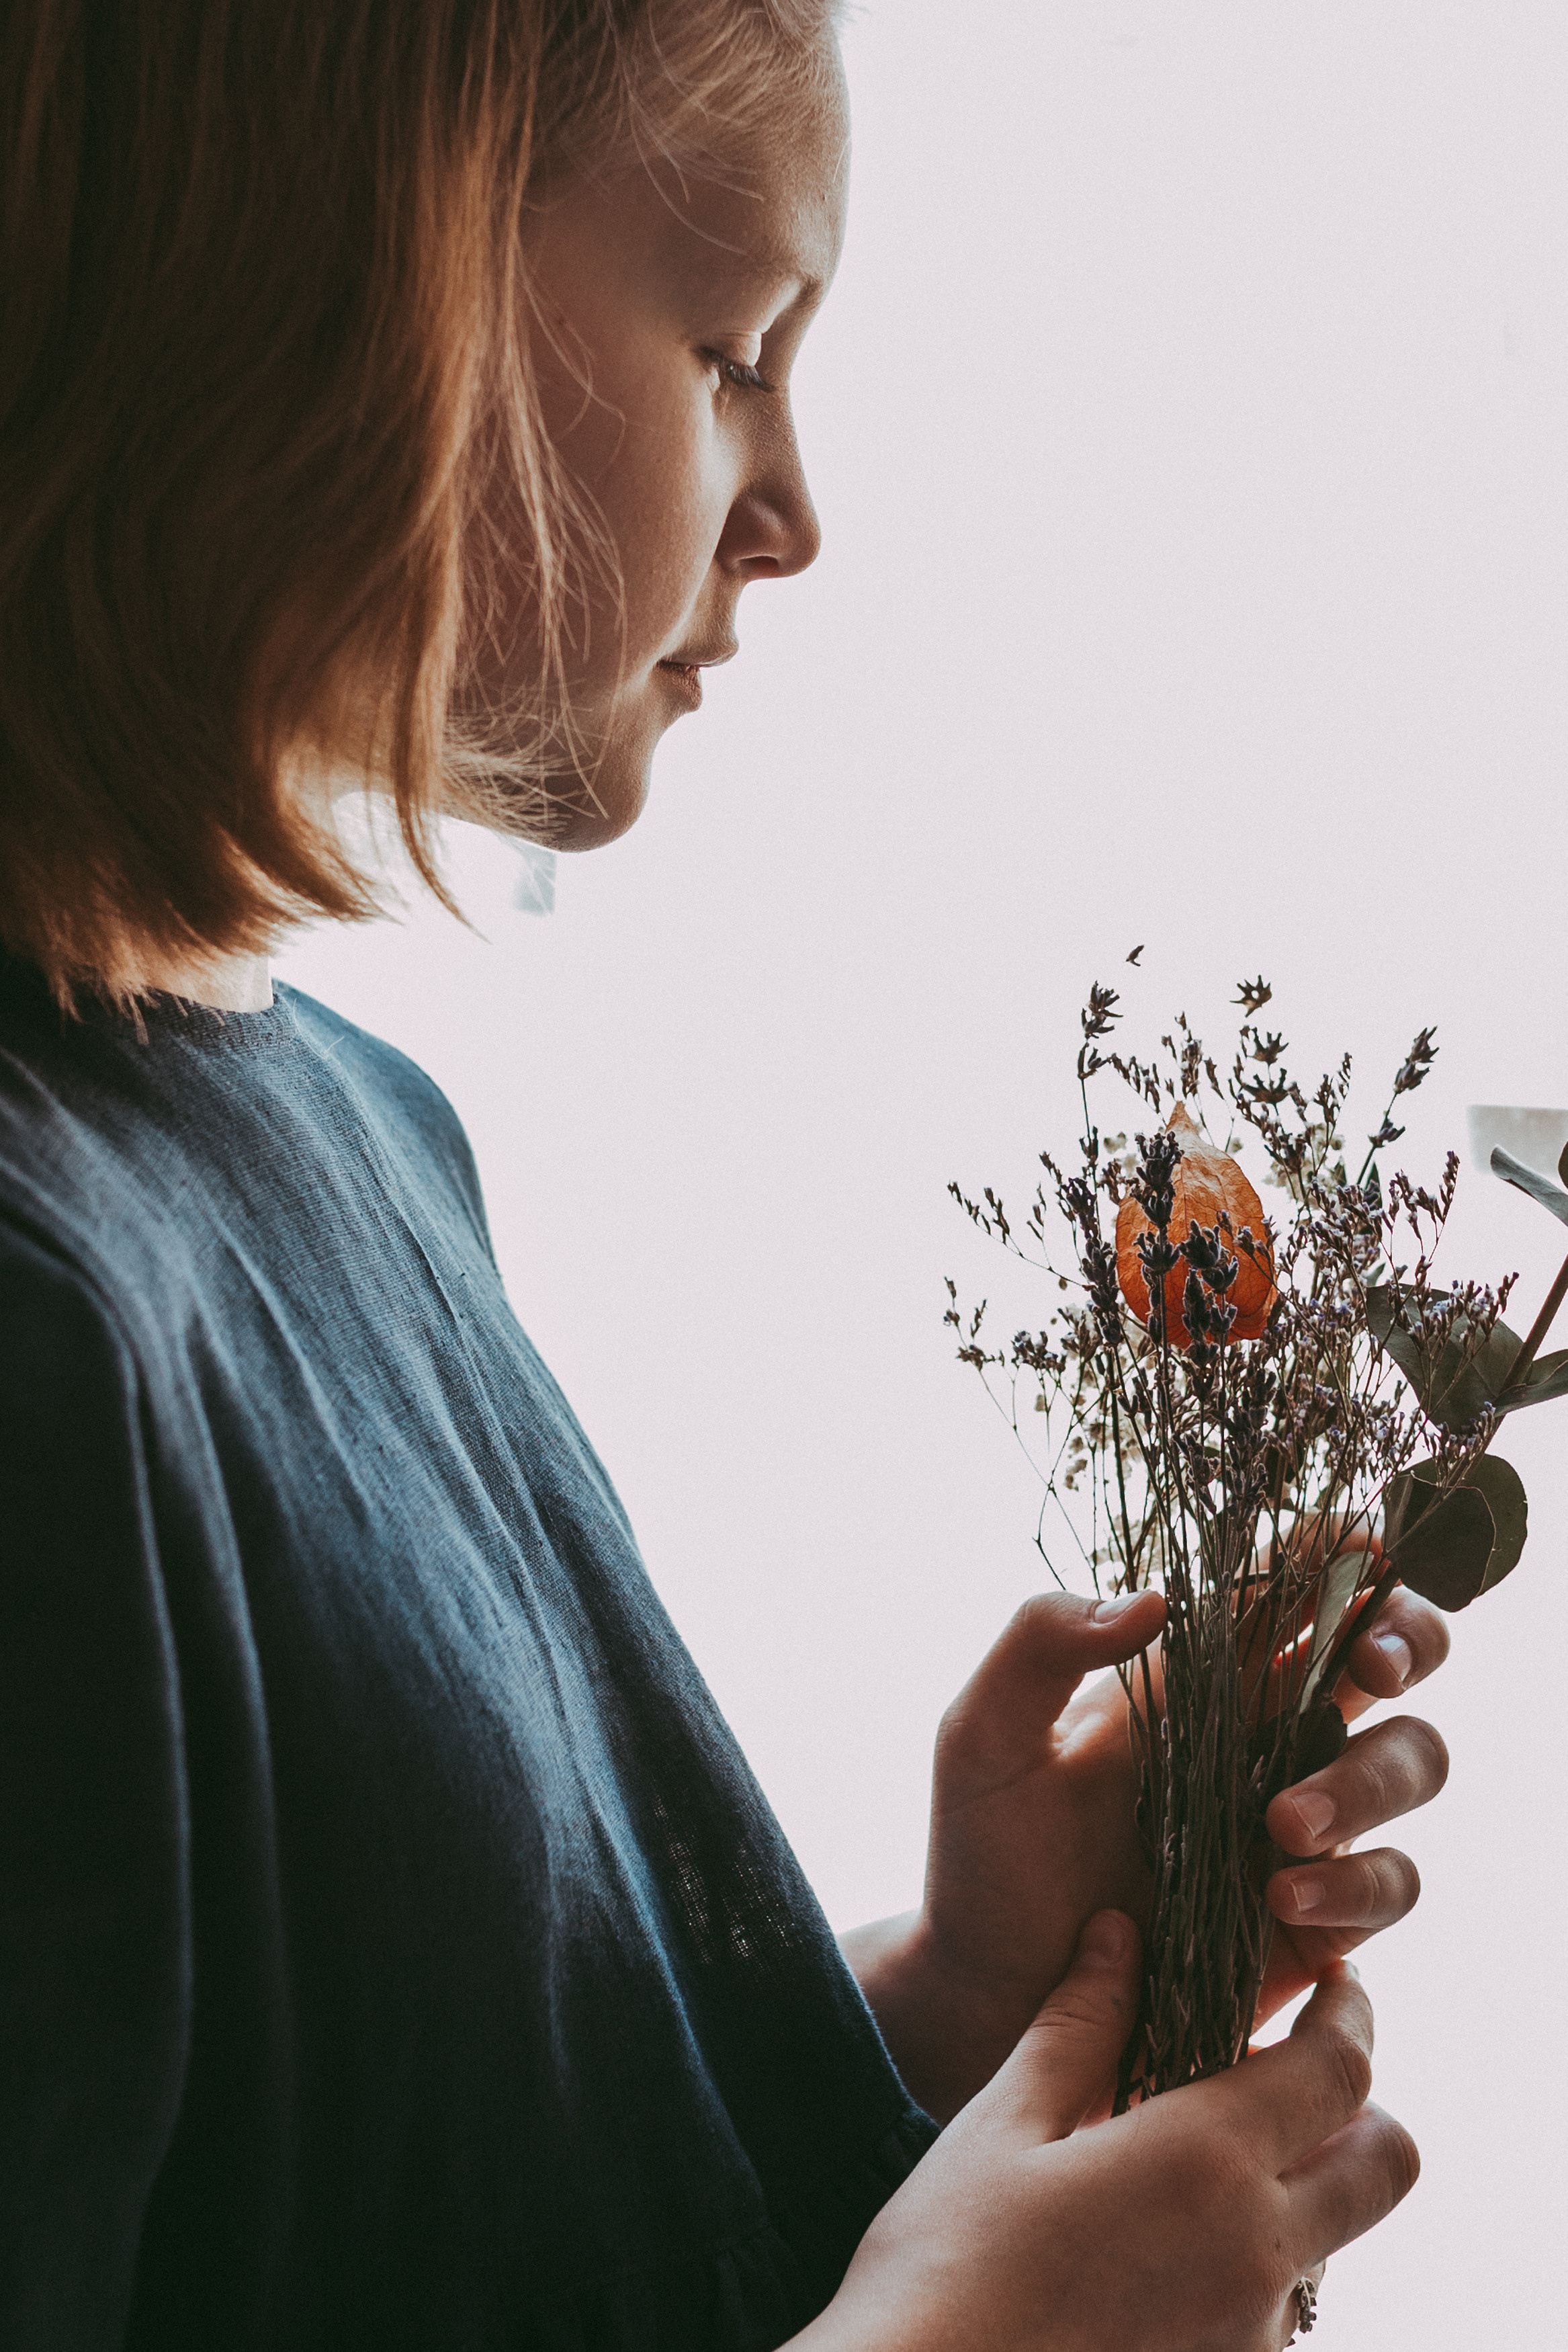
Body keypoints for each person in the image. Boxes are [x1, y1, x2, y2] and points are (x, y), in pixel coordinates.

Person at [0, 4, 1451, 2346]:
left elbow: (452, 2206)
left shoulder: (354, 1122)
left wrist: (969, 1994)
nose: (791, 508)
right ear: (382, 282)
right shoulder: (38, 1317)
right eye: (739, 344)